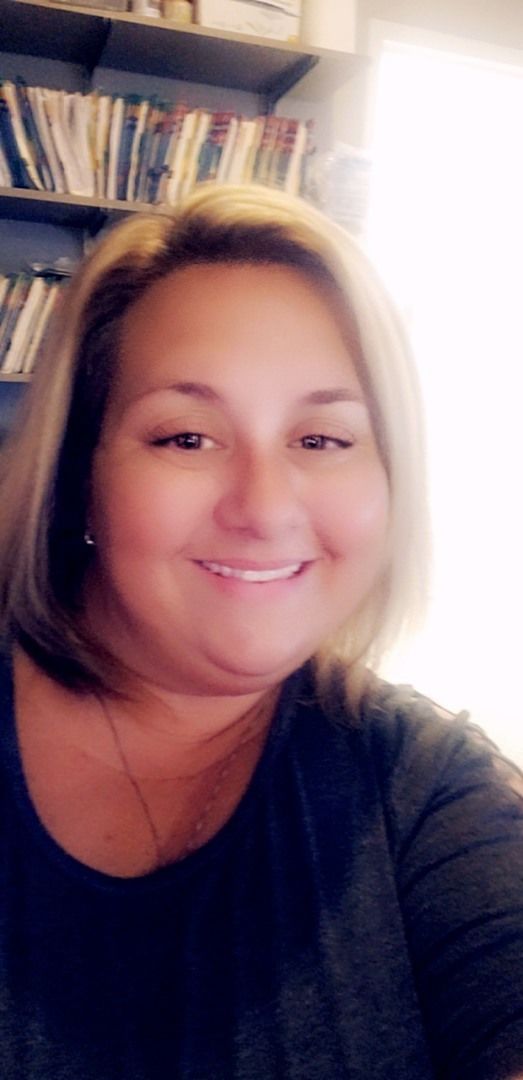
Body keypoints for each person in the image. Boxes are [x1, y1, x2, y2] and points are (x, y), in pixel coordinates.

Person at [0, 183, 521, 1080]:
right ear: (81, 472)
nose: (265, 508)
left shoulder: (428, 788)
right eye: (186, 438)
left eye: (321, 440)